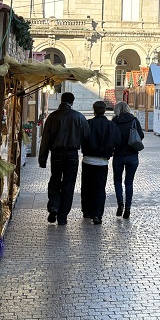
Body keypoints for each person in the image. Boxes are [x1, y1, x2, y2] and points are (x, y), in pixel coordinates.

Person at [38, 92, 91, 226]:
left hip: (56, 154)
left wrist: (42, 159)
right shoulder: (79, 117)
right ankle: (62, 216)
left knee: (55, 179)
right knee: (69, 183)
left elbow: (45, 139)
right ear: (72, 102)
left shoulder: (53, 117)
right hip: (72, 154)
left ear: (61, 100)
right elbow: (87, 137)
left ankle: (54, 206)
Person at [80, 100, 119, 224]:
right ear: (105, 110)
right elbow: (117, 142)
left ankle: (87, 211)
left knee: (86, 187)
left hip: (88, 160)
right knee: (99, 188)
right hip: (102, 162)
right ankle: (97, 214)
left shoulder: (88, 123)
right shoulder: (111, 126)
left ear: (94, 110)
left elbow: (82, 138)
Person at [111, 101, 143, 219]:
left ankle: (120, 204)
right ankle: (128, 208)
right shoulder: (134, 120)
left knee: (117, 181)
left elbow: (111, 138)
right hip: (132, 155)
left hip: (118, 155)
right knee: (129, 182)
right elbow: (141, 136)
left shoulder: (114, 122)